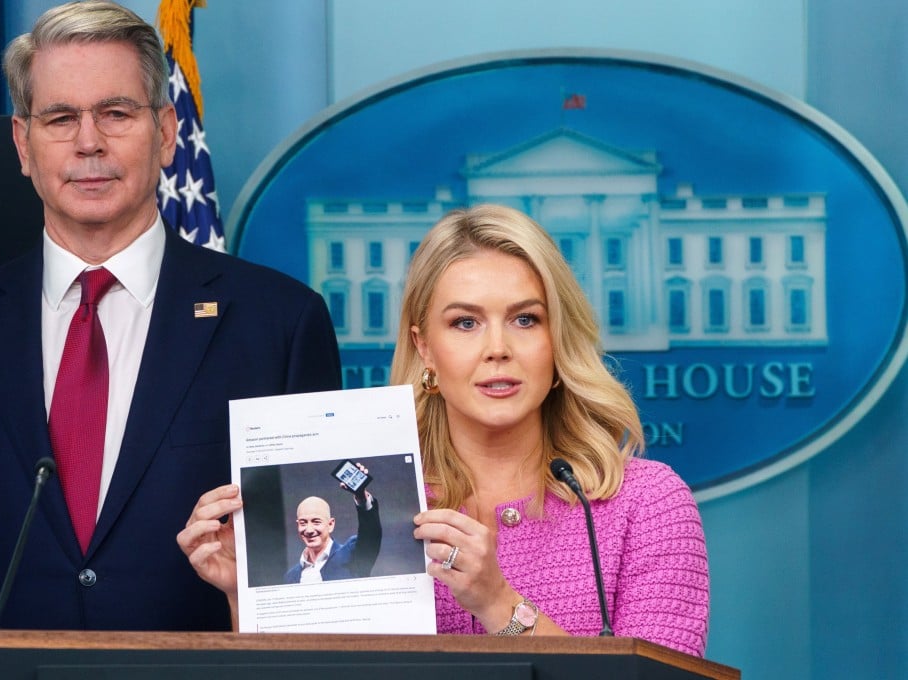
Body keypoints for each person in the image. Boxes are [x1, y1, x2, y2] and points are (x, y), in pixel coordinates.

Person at [0, 0, 340, 655]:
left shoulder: (280, 325)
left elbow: (313, 576)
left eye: (116, 113)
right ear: (22, 143)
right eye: (60, 117)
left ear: (165, 132)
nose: (89, 142)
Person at [178, 204, 708, 656]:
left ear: (558, 341)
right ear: (425, 347)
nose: (497, 348)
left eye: (526, 319)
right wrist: (248, 598)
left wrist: (498, 603)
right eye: (465, 323)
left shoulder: (647, 503)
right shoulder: (384, 507)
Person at [284, 466, 382, 584]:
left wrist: (361, 496)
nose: (309, 530)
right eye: (303, 523)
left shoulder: (352, 555)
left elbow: (371, 533)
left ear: (330, 524)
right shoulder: (290, 577)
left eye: (316, 521)